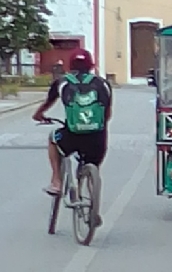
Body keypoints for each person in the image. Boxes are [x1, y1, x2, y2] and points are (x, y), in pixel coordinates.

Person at [32, 48, 112, 196]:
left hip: (72, 136)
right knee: (94, 163)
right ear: (91, 66)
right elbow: (107, 115)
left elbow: (47, 103)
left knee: (53, 138)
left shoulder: (62, 82)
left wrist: (38, 115)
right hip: (97, 139)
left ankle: (56, 181)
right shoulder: (103, 84)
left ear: (70, 66)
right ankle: (93, 207)